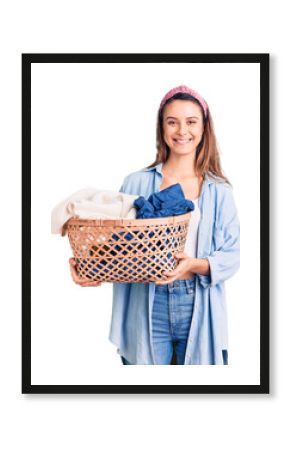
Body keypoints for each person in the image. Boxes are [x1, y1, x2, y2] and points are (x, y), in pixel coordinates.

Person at [69, 85, 240, 365]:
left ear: (204, 128)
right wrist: (88, 266)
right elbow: (115, 246)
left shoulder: (219, 191)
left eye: (191, 121)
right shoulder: (135, 183)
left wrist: (192, 265)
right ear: (162, 127)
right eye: (172, 121)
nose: (182, 130)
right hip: (147, 301)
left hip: (196, 300)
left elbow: (231, 257)